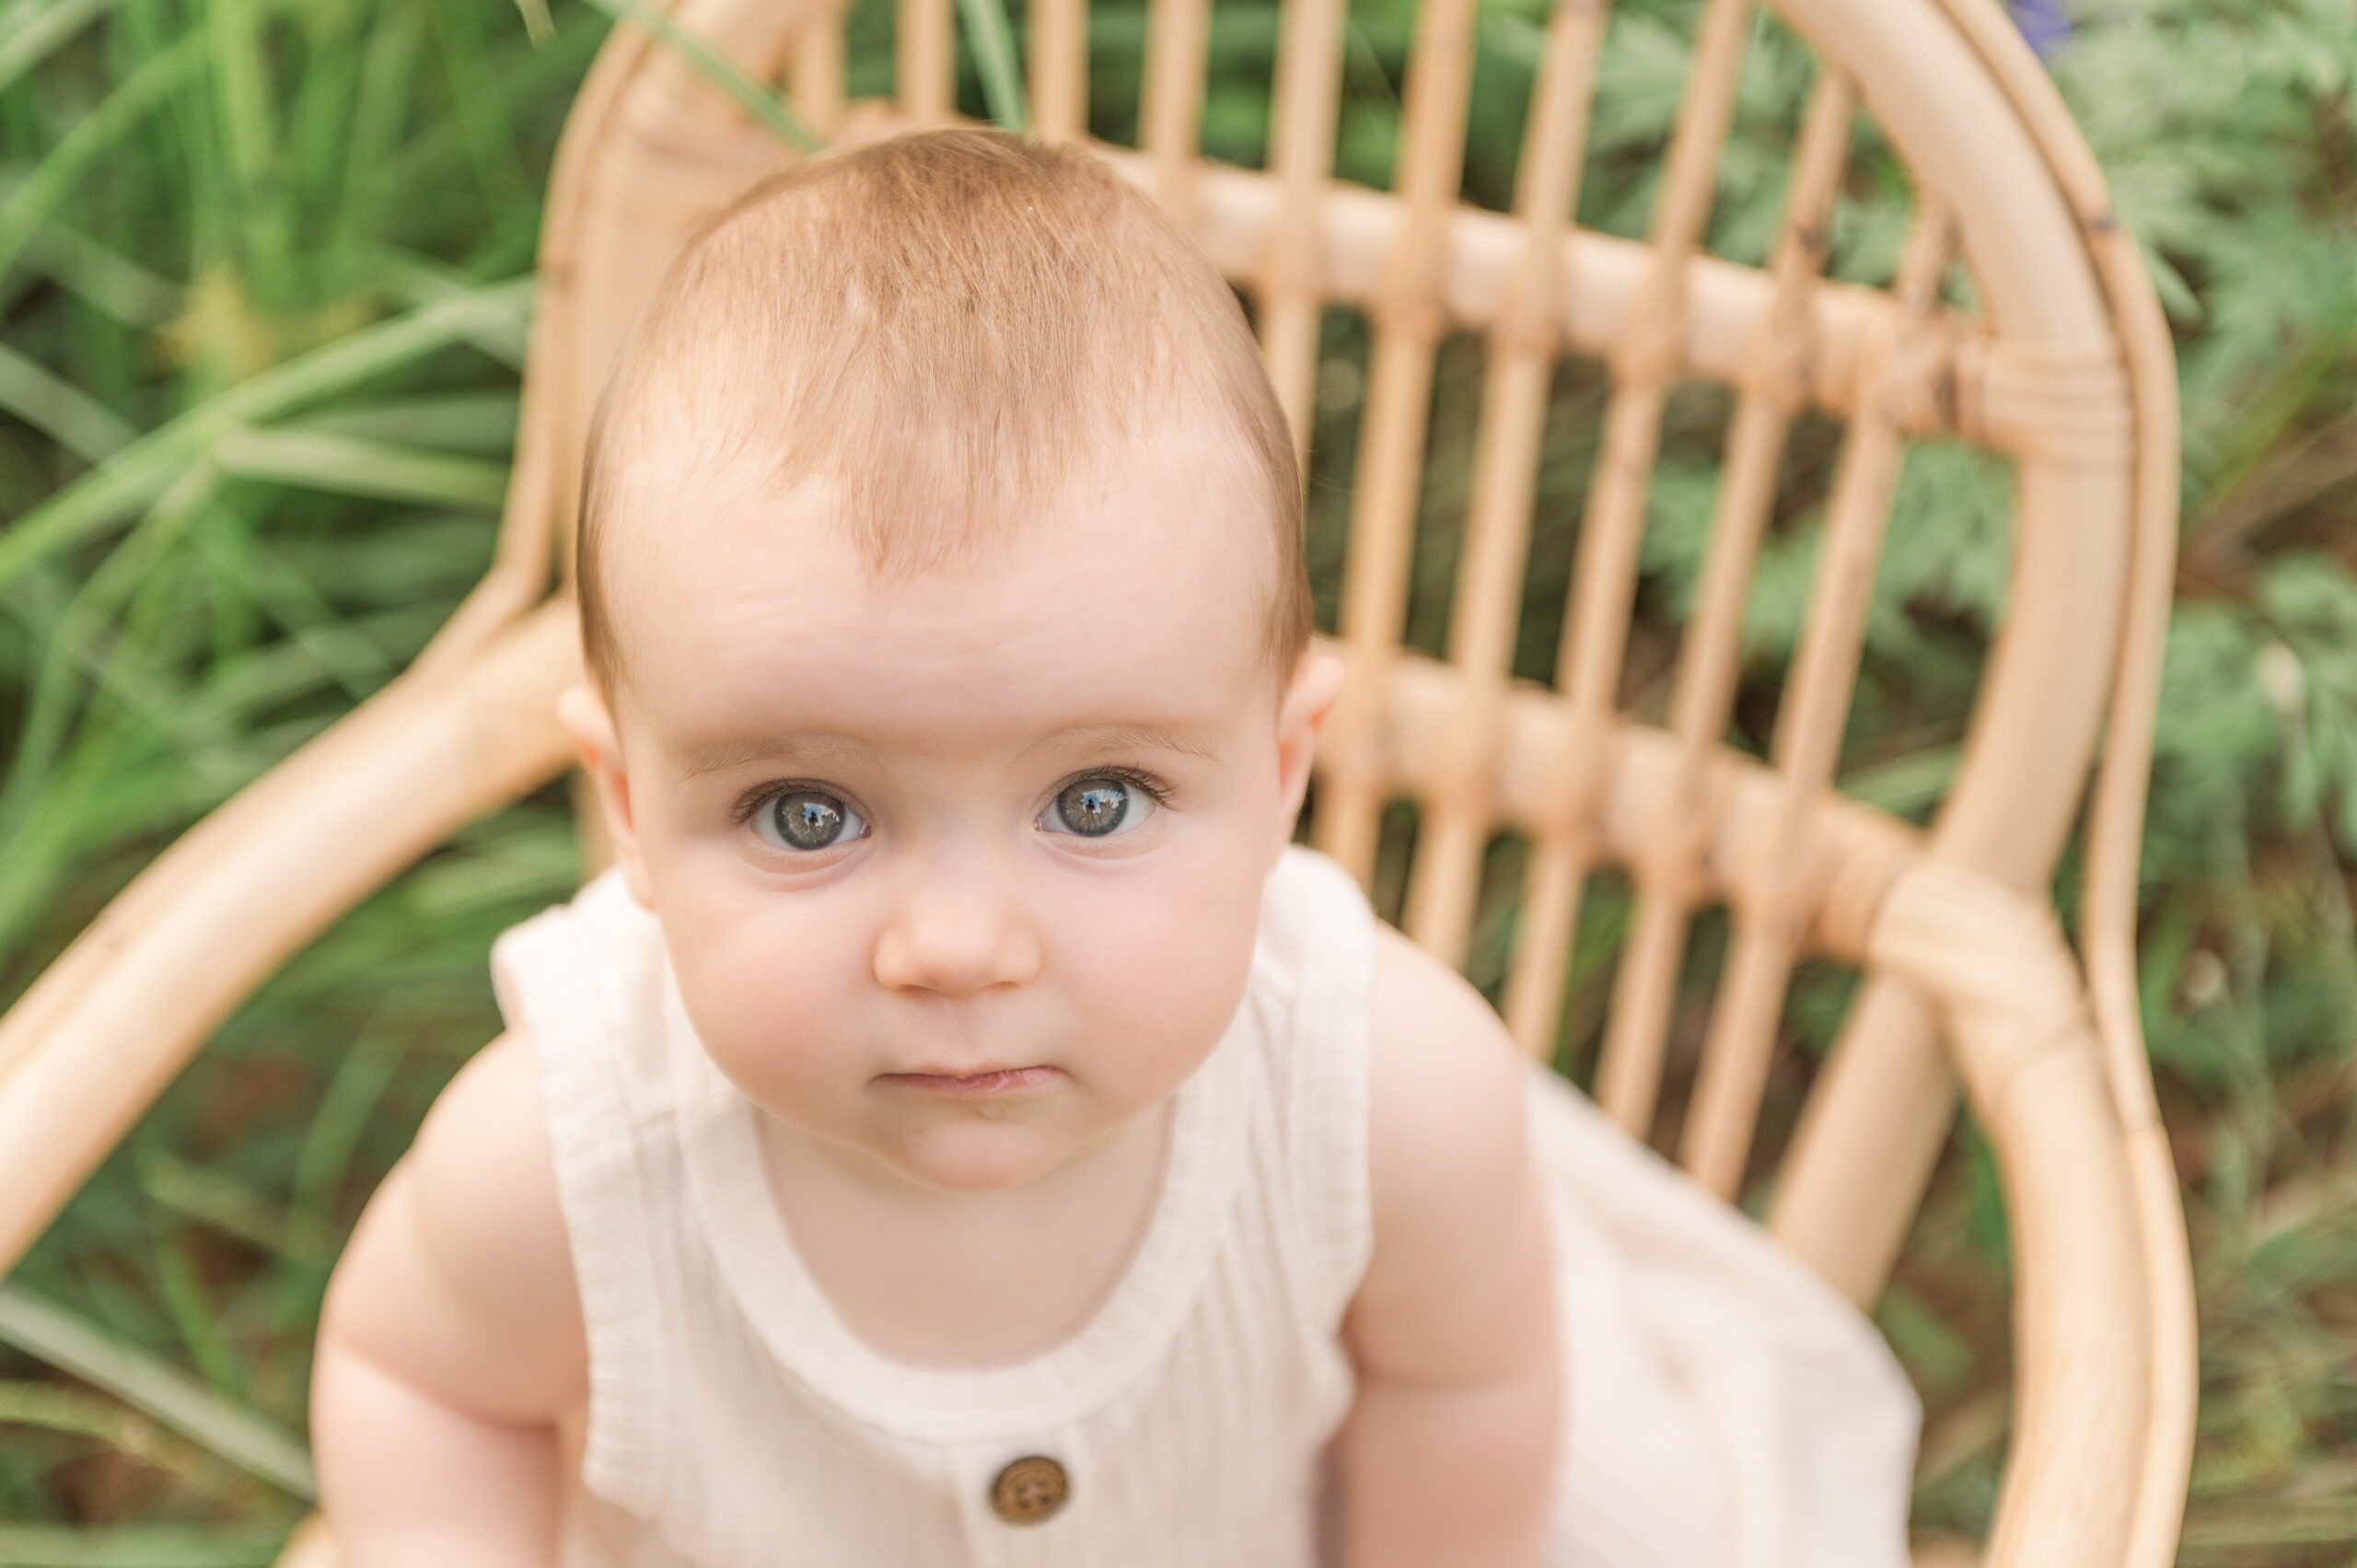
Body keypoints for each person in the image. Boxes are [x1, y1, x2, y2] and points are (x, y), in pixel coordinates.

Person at [310, 127, 1917, 1568]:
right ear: (628, 811)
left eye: (1096, 803)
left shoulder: (1382, 1103)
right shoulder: (570, 1159)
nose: (954, 945)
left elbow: (1468, 1386)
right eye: (808, 815)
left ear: (1285, 771)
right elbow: (418, 1384)